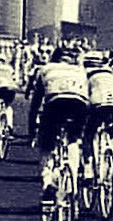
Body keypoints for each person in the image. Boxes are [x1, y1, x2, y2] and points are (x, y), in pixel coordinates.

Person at [27, 46, 90, 205]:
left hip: (55, 104)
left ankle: (48, 182)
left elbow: (36, 103)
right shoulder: (80, 71)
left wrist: (32, 131)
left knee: (46, 145)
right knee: (73, 140)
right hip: (79, 104)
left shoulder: (46, 69)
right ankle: (74, 182)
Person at [82, 50, 113, 182]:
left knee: (89, 133)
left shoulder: (86, 75)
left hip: (99, 103)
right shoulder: (111, 74)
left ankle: (88, 169)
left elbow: (84, 97)